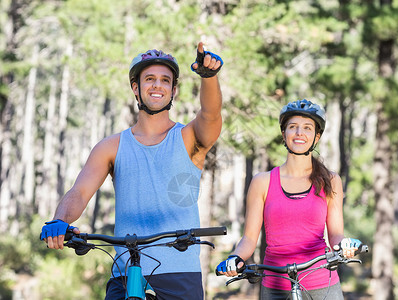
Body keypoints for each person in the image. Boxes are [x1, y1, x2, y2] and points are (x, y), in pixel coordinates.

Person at [40, 42, 223, 300]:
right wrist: (61, 220)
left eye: (165, 80)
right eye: (149, 79)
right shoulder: (111, 147)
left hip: (180, 274)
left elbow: (211, 114)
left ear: (173, 91)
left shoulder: (188, 138)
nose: (157, 85)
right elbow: (79, 192)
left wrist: (209, 77)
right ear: (136, 88)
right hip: (125, 274)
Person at [216, 99, 362, 300]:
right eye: (293, 127)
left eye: (307, 128)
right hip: (275, 284)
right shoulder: (262, 182)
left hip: (322, 283)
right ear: (284, 134)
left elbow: (336, 235)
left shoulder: (330, 180)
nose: (299, 133)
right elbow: (249, 238)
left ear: (316, 137)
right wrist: (235, 258)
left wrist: (346, 246)